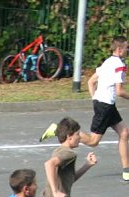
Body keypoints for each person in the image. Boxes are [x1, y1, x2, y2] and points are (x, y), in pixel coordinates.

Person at [41, 36, 129, 182]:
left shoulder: (107, 62)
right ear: (119, 49)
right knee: (93, 141)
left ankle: (126, 170)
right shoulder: (119, 65)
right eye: (126, 47)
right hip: (105, 106)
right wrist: (100, 102)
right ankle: (58, 129)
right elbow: (120, 91)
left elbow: (91, 82)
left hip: (105, 104)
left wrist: (96, 99)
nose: (127, 50)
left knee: (124, 132)